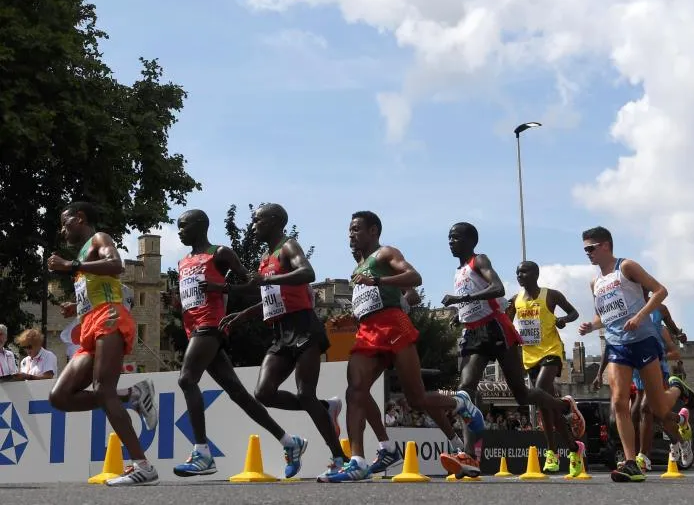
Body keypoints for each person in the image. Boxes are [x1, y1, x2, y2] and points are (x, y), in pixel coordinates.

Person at [329, 212, 486, 482]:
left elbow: (414, 279)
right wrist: (350, 317)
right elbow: (367, 303)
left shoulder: (385, 254)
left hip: (394, 326)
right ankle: (361, 459)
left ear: (373, 231)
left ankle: (460, 404)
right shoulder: (357, 271)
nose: (350, 236)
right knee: (355, 390)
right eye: (349, 231)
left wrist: (381, 283)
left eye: (356, 229)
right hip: (368, 331)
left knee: (417, 399)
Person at [172, 209, 316, 477]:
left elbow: (253, 284)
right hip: (193, 328)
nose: (179, 231)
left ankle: (202, 453)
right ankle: (289, 441)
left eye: (184, 225)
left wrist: (224, 289)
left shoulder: (220, 253)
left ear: (201, 226)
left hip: (210, 325)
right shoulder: (183, 262)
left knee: (187, 379)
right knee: (238, 393)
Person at [441, 222, 586, 478]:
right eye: (449, 238)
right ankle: (469, 455)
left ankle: (564, 408)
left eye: (456, 237)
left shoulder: (479, 260)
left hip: (496, 330)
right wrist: (460, 314)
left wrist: (462, 299)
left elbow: (498, 288)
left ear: (471, 241)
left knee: (522, 395)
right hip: (474, 333)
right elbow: (479, 301)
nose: (451, 242)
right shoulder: (459, 272)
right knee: (465, 391)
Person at [218, 203, 344, 481]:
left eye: (258, 221)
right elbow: (271, 298)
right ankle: (325, 408)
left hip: (305, 328)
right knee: (263, 393)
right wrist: (243, 315)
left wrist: (268, 279)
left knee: (305, 394)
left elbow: (308, 273)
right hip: (281, 333)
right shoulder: (265, 258)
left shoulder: (289, 246)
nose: (253, 226)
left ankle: (339, 458)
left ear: (275, 221)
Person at [45, 201, 159, 486]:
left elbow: (116, 265)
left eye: (65, 223)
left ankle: (143, 466)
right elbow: (102, 285)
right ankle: (132, 394)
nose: (62, 230)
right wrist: (77, 306)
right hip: (90, 324)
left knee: (102, 389)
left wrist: (71, 265)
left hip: (109, 318)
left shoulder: (99, 239)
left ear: (80, 218)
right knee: (60, 397)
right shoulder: (84, 253)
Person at [577, 226, 683, 482]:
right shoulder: (595, 282)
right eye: (585, 250)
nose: (587, 253)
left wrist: (640, 316)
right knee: (618, 402)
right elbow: (602, 316)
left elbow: (661, 291)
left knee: (658, 408)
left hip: (643, 340)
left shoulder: (626, 267)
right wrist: (591, 326)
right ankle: (630, 462)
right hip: (617, 344)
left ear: (605, 245)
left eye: (591, 248)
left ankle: (678, 392)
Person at [507, 260, 584, 473]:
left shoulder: (551, 295)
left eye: (524, 272)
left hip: (551, 351)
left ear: (535, 274)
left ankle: (565, 408)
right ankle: (569, 449)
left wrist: (563, 320)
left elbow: (574, 313)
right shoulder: (515, 301)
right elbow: (507, 325)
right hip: (529, 356)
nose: (519, 275)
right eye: (517, 272)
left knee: (539, 391)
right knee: (545, 406)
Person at [630, 302, 688, 472]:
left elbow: (674, 341)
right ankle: (680, 433)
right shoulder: (627, 307)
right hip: (637, 371)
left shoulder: (659, 314)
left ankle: (642, 458)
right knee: (645, 414)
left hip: (656, 368)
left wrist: (679, 335)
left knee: (645, 409)